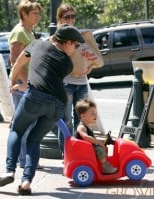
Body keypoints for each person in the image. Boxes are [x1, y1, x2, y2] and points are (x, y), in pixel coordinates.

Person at [0, 24, 85, 195]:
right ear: (68, 42)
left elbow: (19, 62)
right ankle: (26, 182)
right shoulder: (67, 63)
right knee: (34, 141)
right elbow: (47, 75)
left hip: (35, 96)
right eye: (76, 45)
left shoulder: (36, 44)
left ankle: (9, 171)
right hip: (57, 104)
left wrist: (13, 81)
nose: (75, 49)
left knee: (17, 130)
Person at [56, 4, 97, 155]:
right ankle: (66, 153)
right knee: (66, 119)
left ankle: (81, 151)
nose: (71, 20)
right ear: (59, 18)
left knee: (83, 119)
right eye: (67, 17)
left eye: (73, 16)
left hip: (81, 83)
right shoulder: (58, 37)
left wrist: (89, 68)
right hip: (66, 83)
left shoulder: (80, 35)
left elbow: (91, 58)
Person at [8, 0, 42, 169]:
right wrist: (24, 82)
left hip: (30, 83)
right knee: (25, 125)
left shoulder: (29, 32)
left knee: (31, 123)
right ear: (24, 14)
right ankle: (24, 161)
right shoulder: (19, 33)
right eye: (34, 13)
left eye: (38, 13)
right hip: (23, 85)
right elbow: (14, 60)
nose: (38, 16)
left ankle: (27, 159)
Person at [75, 98, 118, 174]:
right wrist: (98, 142)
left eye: (96, 113)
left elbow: (91, 138)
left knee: (104, 146)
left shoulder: (87, 126)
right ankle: (105, 167)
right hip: (84, 149)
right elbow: (86, 137)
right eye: (92, 114)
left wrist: (101, 141)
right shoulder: (81, 127)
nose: (95, 115)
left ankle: (102, 163)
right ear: (83, 116)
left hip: (87, 147)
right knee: (99, 149)